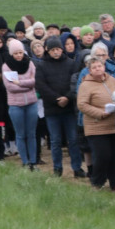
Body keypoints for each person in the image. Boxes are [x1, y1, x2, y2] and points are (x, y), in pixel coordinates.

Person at [37, 36, 82, 179]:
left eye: (58, 49)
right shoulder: (42, 65)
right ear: (47, 50)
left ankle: (77, 167)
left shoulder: (71, 63)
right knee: (55, 140)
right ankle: (57, 167)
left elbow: (75, 83)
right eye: (53, 50)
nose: (56, 52)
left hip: (68, 107)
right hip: (52, 109)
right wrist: (57, 99)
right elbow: (41, 86)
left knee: (73, 139)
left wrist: (67, 97)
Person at [77, 57, 115, 190]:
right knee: (103, 155)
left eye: (100, 66)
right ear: (90, 70)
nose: (98, 69)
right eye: (94, 67)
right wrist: (99, 113)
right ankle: (97, 182)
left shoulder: (112, 80)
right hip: (96, 126)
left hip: (113, 124)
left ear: (104, 67)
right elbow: (82, 104)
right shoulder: (85, 85)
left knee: (114, 155)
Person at [3, 38, 40, 169]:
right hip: (15, 105)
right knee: (20, 134)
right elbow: (10, 87)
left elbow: (34, 81)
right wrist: (27, 85)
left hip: (31, 103)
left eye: (20, 52)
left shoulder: (30, 64)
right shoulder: (6, 66)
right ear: (11, 54)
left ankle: (33, 161)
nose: (19, 55)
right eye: (16, 53)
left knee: (31, 134)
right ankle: (25, 161)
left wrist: (20, 83)